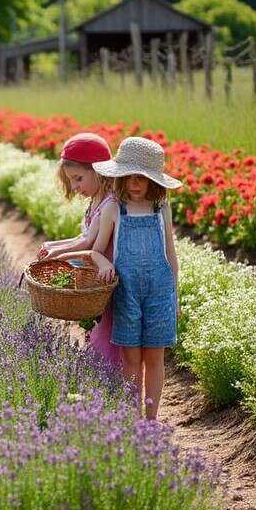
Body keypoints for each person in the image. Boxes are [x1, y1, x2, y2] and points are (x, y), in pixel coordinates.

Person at [56, 136, 182, 419]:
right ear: (119, 178)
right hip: (127, 294)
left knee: (155, 356)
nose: (135, 184)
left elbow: (171, 258)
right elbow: (95, 251)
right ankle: (131, 417)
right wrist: (102, 264)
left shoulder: (163, 210)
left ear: (154, 182)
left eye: (142, 178)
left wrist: (176, 297)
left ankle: (151, 419)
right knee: (130, 358)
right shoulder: (115, 209)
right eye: (129, 177)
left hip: (159, 293)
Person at [37, 132, 122, 370]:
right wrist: (52, 246)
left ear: (99, 171)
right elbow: (82, 237)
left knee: (107, 341)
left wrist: (56, 255)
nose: (75, 187)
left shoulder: (109, 203)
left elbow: (87, 244)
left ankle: (116, 391)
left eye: (78, 179)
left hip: (106, 278)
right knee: (97, 331)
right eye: (72, 181)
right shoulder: (95, 201)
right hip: (93, 278)